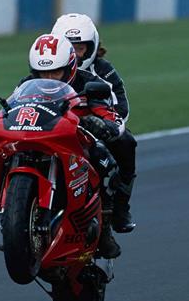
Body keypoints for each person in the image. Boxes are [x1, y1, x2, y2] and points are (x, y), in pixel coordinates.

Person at [22, 33, 125, 258]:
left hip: (78, 143)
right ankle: (15, 222)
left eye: (55, 72)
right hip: (41, 139)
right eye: (42, 73)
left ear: (69, 68)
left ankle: (105, 228)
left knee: (107, 163)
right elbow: (13, 106)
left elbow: (113, 119)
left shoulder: (91, 83)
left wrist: (103, 124)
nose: (49, 77)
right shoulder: (26, 84)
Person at [51, 13, 137, 234]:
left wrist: (102, 125)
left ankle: (118, 209)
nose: (73, 53)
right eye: (68, 46)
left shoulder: (104, 71)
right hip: (53, 129)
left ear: (91, 48)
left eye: (79, 48)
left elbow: (121, 108)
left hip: (92, 132)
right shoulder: (48, 71)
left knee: (126, 142)